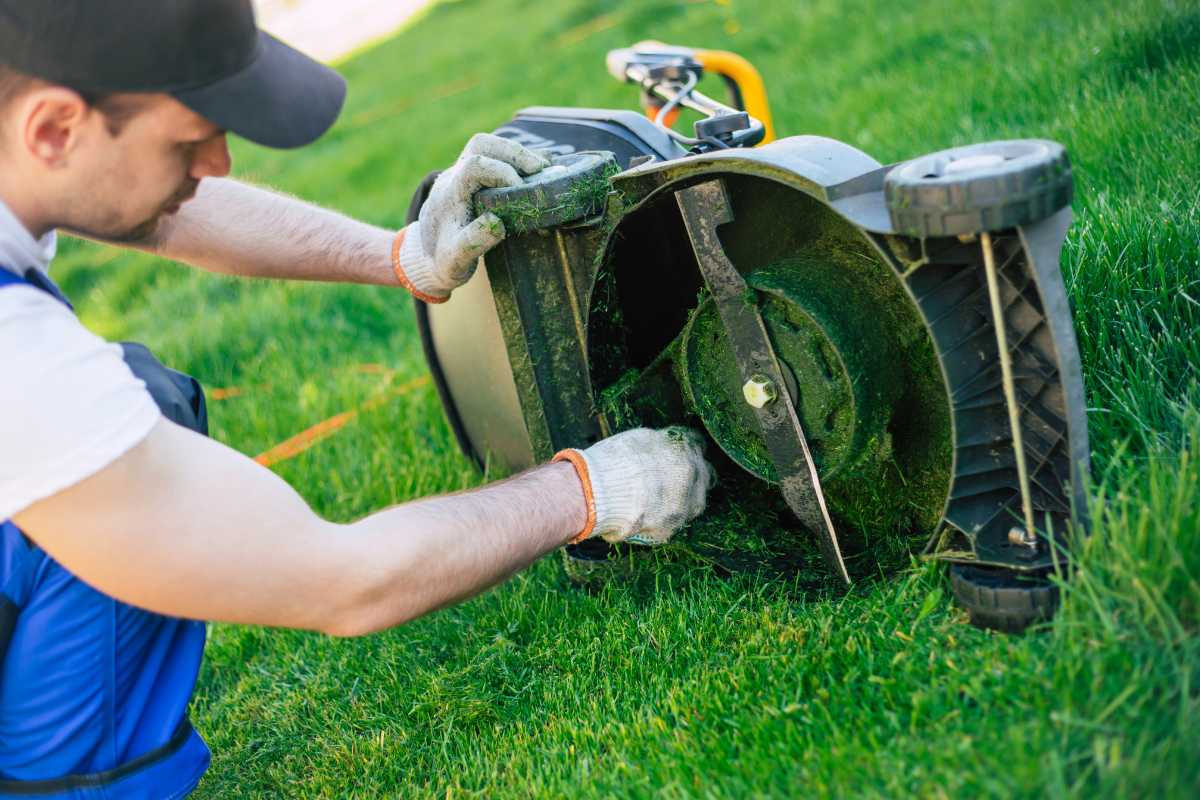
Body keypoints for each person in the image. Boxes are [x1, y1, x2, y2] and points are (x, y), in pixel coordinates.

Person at [0, 1, 715, 796]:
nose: (220, 163)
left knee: (137, 407)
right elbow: (342, 580)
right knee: (113, 436)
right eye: (189, 137)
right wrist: (591, 491)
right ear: (54, 130)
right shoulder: (19, 365)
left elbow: (156, 208)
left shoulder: (26, 158)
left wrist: (399, 255)